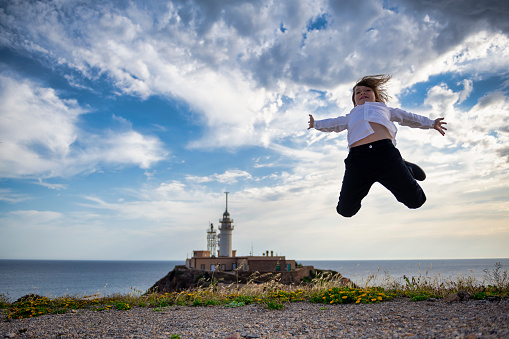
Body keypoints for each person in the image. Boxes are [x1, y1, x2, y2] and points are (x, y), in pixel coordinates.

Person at [308, 74, 447, 217]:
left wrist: (431, 123)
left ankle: (406, 168)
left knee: (416, 201)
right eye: (358, 92)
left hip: (386, 155)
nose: (362, 93)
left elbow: (409, 117)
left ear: (376, 96)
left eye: (367, 90)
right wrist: (316, 124)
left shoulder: (385, 109)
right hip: (358, 161)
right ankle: (405, 166)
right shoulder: (351, 115)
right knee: (345, 210)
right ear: (355, 102)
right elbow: (333, 123)